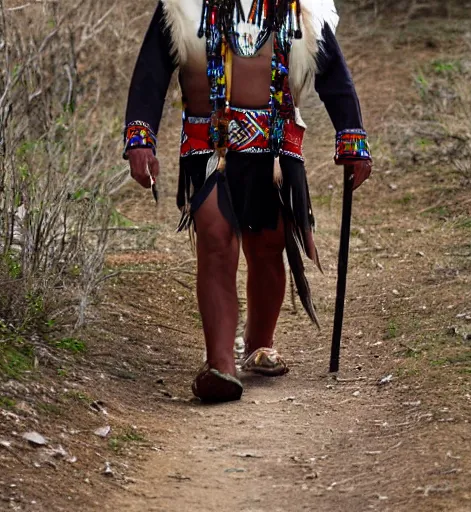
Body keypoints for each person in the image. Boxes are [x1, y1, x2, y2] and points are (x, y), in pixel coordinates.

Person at [123, 0, 372, 403]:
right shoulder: (182, 7)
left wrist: (353, 137)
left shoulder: (303, 9)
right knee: (217, 240)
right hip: (209, 144)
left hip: (274, 147)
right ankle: (220, 363)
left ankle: (259, 342)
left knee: (268, 245)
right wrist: (140, 138)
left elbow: (335, 78)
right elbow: (151, 73)